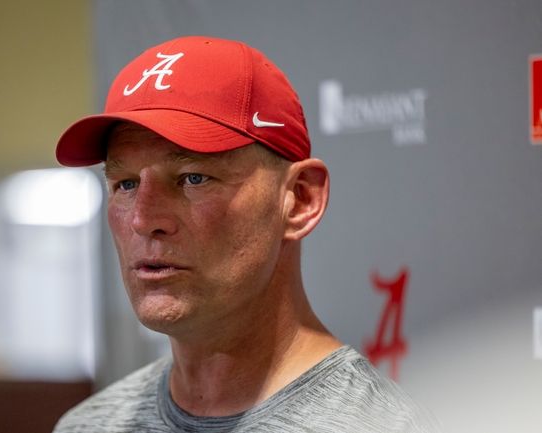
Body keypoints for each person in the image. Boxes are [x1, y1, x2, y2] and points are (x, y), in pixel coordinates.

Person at [53, 36, 437, 432]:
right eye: (126, 184)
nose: (142, 219)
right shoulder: (88, 426)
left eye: (193, 178)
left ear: (300, 199)